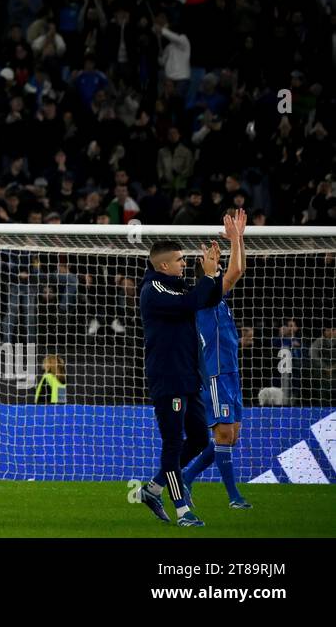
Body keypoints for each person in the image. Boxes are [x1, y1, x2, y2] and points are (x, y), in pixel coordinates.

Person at [136, 237, 223, 527]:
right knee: (172, 445)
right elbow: (193, 300)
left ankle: (153, 489)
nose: (185, 264)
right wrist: (207, 277)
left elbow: (209, 297)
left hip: (188, 377)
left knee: (199, 439)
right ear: (163, 265)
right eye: (180, 260)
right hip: (168, 379)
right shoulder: (154, 289)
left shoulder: (177, 285)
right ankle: (182, 510)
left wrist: (214, 271)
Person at [182, 210, 252, 509]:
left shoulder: (216, 298)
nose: (223, 271)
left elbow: (239, 268)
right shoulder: (203, 299)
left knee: (232, 436)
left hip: (231, 372)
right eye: (217, 268)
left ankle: (186, 477)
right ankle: (234, 498)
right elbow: (235, 272)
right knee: (223, 434)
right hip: (215, 374)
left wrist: (239, 241)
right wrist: (235, 239)